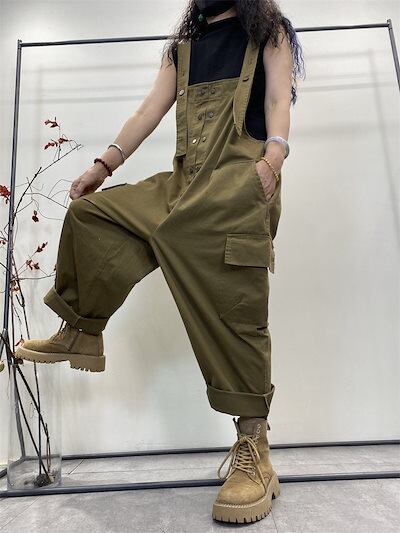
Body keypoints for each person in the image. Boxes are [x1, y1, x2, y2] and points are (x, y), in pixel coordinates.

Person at [15, 0, 305, 524]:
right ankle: (81, 330)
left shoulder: (270, 34)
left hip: (235, 188)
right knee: (93, 215)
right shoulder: (183, 49)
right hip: (183, 187)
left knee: (235, 308)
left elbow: (278, 98)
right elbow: (148, 111)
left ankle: (255, 450)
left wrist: (273, 157)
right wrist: (103, 165)